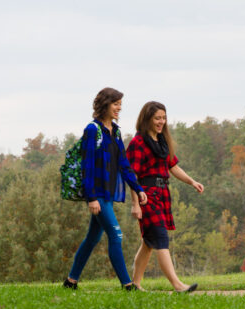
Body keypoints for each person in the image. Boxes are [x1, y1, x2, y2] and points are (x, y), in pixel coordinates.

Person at [63, 87, 147, 291]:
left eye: (120, 104)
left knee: (92, 238)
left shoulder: (115, 131)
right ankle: (127, 285)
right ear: (105, 104)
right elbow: (88, 166)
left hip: (108, 194)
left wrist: (138, 188)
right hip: (97, 194)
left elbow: (124, 164)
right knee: (116, 235)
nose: (119, 108)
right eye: (116, 104)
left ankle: (71, 282)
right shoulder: (93, 130)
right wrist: (91, 197)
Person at [126, 101, 203, 292]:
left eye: (164, 118)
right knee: (161, 238)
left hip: (162, 194)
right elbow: (131, 175)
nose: (161, 122)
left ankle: (135, 284)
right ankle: (178, 285)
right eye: (157, 118)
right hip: (146, 195)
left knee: (148, 242)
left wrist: (192, 182)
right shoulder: (138, 143)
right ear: (147, 119)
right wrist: (135, 204)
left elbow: (173, 166)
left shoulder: (162, 142)